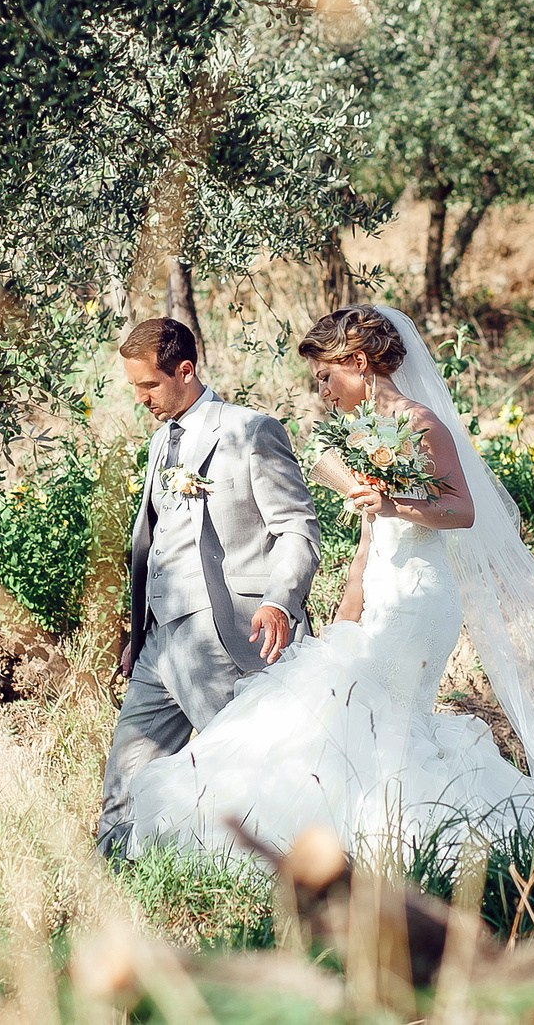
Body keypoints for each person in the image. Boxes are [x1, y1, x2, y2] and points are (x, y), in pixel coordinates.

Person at [127, 305, 534, 861]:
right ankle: (371, 837)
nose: (323, 391)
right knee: (363, 718)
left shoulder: (420, 424)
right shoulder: (362, 435)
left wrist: (394, 504)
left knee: (369, 716)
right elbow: (369, 539)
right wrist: (347, 610)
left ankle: (400, 841)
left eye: (326, 376)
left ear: (359, 363)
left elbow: (462, 510)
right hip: (380, 592)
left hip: (420, 597)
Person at [95, 317, 321, 859]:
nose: (141, 399)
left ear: (184, 370)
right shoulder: (160, 443)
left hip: (224, 633)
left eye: (149, 385)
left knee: (246, 771)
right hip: (157, 643)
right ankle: (107, 878)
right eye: (135, 387)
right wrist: (140, 630)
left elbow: (297, 528)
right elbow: (157, 543)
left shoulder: (250, 430)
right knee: (126, 773)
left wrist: (279, 600)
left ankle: (285, 872)